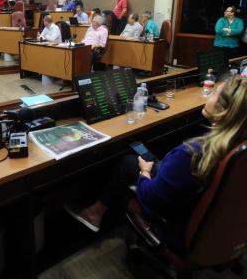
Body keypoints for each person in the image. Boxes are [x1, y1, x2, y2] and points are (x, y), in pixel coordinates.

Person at [65, 75, 247, 253]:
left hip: (177, 223)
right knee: (143, 157)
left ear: (223, 110)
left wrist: (145, 172)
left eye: (214, 92)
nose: (209, 93)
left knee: (128, 162)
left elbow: (150, 198)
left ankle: (95, 214)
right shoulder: (237, 141)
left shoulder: (190, 153)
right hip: (216, 218)